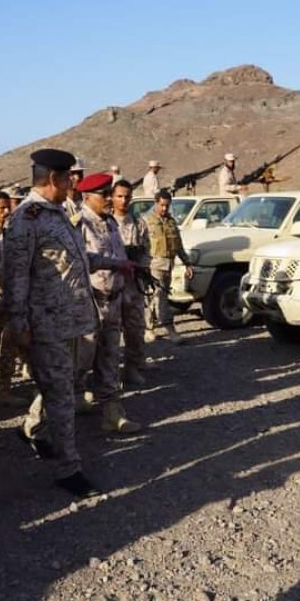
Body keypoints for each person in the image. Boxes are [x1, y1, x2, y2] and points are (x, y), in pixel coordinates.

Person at [2, 148, 101, 498]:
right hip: (45, 325)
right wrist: (19, 325)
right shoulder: (25, 219)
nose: (74, 183)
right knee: (61, 395)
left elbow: (73, 259)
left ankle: (35, 432)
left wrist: (111, 262)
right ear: (54, 179)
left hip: (71, 320)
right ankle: (67, 468)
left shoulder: (59, 213)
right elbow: (15, 277)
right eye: (69, 177)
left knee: (59, 388)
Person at [75, 173, 142, 434]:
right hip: (90, 302)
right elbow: (83, 260)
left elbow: (120, 256)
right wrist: (117, 264)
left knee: (111, 357)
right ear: (87, 197)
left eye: (107, 193)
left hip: (114, 300)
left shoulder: (110, 223)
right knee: (80, 360)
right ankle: (46, 417)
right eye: (103, 195)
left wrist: (126, 284)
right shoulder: (78, 224)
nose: (107, 199)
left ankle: (112, 414)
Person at [0, 190, 27, 407]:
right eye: (1, 208)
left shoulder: (13, 233)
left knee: (9, 346)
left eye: (8, 207)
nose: (6, 211)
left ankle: (4, 389)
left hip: (10, 299)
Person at [110, 179, 150, 386]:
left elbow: (146, 251)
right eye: (120, 196)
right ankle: (110, 374)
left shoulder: (138, 223)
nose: (124, 200)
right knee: (110, 334)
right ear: (112, 197)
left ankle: (132, 367)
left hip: (133, 286)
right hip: (112, 287)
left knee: (135, 330)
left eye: (127, 196)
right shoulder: (106, 223)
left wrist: (141, 266)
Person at [143, 189, 191, 344]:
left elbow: (178, 245)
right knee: (159, 297)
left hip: (168, 265)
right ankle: (169, 329)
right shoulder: (145, 221)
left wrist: (187, 263)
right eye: (162, 205)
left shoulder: (171, 221)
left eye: (167, 206)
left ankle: (150, 327)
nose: (164, 208)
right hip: (153, 266)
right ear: (156, 203)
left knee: (157, 297)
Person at [63, 157, 85, 224]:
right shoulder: (60, 204)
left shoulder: (86, 199)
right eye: (72, 173)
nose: (77, 178)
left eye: (79, 173)